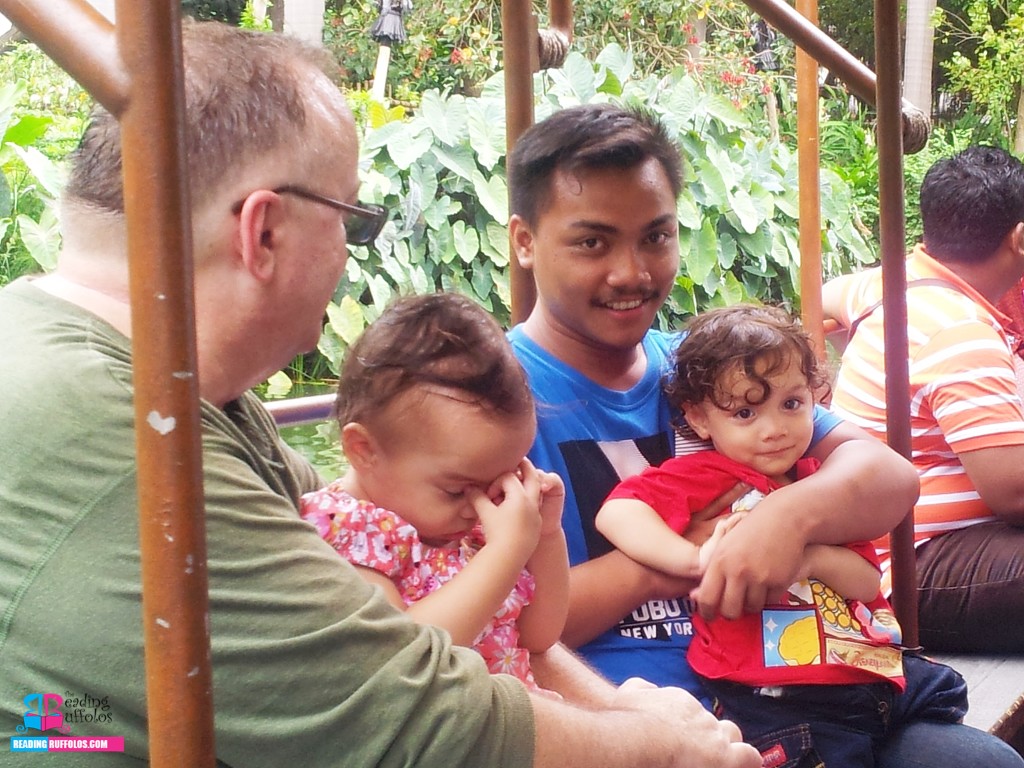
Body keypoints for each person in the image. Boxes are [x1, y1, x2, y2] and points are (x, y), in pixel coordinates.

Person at [0, 22, 762, 768]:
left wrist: (634, 716)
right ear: (263, 232)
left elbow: (445, 652)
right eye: (354, 221)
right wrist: (657, 742)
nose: (347, 257)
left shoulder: (190, 398)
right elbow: (410, 719)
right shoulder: (124, 437)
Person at [506, 103, 1023, 767]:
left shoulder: (708, 369)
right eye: (592, 242)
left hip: (812, 683)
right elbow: (513, 628)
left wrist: (782, 520)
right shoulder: (502, 401)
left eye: (656, 237)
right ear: (525, 240)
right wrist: (685, 558)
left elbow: (888, 477)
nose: (632, 272)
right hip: (632, 718)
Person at [597, 304, 971, 767]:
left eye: (791, 405)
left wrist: (808, 557)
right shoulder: (706, 474)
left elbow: (866, 583)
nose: (774, 429)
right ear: (698, 420)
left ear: (815, 399)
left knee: (947, 689)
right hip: (777, 691)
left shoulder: (817, 483)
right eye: (745, 413)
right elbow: (620, 512)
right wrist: (695, 560)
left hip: (866, 672)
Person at [300, 292, 568, 691]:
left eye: (499, 481)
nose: (479, 506)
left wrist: (545, 536)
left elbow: (540, 636)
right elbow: (403, 657)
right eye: (457, 489)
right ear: (365, 451)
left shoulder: (470, 529)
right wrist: (505, 552)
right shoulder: (347, 534)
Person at [825, 145, 1024, 654]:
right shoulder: (960, 333)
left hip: (882, 546)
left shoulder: (885, 285)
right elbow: (1014, 495)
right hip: (909, 566)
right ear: (1018, 239)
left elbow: (822, 296)